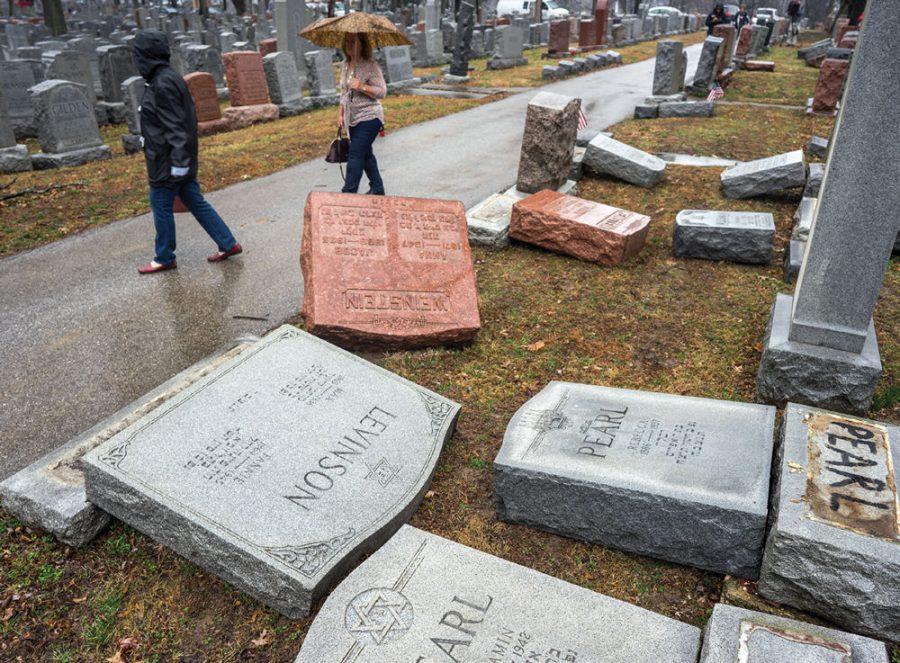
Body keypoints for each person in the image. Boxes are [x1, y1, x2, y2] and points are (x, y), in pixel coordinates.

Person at [131, 30, 242, 274]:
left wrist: (178, 164)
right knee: (195, 201)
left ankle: (164, 256)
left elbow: (176, 127)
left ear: (145, 56)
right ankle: (228, 243)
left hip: (168, 161)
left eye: (137, 54)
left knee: (160, 203)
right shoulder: (167, 77)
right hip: (176, 158)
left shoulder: (162, 83)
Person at [338, 32, 387, 196]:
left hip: (370, 116)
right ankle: (378, 188)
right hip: (351, 119)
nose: (350, 45)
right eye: (347, 41)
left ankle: (348, 193)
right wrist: (340, 115)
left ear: (362, 44)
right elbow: (343, 93)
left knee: (355, 154)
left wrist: (362, 86)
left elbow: (381, 92)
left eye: (354, 41)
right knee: (366, 154)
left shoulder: (370, 65)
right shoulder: (345, 65)